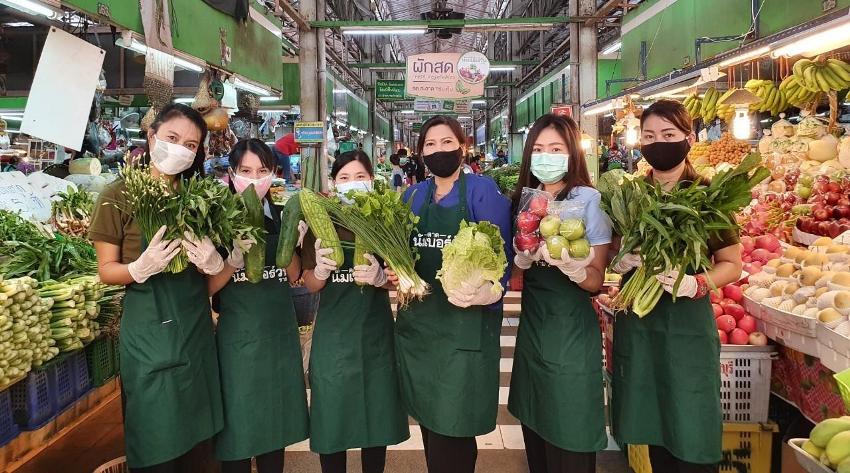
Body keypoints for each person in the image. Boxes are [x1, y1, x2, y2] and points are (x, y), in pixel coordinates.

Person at [89, 103, 224, 472]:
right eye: (173, 138)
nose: (182, 148)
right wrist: (137, 268)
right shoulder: (117, 197)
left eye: (192, 145)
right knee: (155, 436)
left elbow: (210, 284)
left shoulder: (200, 199)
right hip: (148, 333)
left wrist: (221, 263)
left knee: (200, 445)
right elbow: (106, 271)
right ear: (152, 136)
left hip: (196, 330)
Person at [610, 100, 742, 473]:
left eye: (668, 135)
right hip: (641, 326)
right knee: (653, 434)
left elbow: (732, 264)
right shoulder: (630, 195)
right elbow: (612, 253)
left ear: (689, 137)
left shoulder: (708, 196)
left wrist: (697, 284)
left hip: (687, 329)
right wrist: (619, 261)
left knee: (692, 430)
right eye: (649, 136)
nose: (658, 143)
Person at [389, 115, 512, 473]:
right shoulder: (413, 195)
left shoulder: (482, 191)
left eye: (447, 142)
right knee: (430, 418)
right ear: (420, 151)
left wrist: (490, 291)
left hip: (464, 327)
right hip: (421, 327)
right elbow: (401, 252)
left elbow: (501, 256)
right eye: (430, 144)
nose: (439, 150)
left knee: (456, 421)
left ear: (462, 146)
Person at [508, 114, 612, 473]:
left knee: (570, 429)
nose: (545, 156)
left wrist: (574, 267)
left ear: (571, 154)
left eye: (555, 148)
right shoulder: (524, 201)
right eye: (538, 149)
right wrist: (521, 259)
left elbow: (596, 280)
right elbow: (516, 270)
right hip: (534, 327)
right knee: (535, 427)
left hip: (571, 329)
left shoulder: (588, 200)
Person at [301, 150, 410, 473]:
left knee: (375, 424)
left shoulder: (385, 218)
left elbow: (401, 282)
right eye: (344, 178)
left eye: (359, 177)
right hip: (333, 338)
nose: (352, 184)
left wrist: (382, 279)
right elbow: (309, 284)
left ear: (371, 181)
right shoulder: (321, 221)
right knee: (332, 423)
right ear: (333, 184)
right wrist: (319, 272)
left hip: (376, 334)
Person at [206, 139, 310, 473]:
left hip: (279, 335)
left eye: (262, 171)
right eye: (246, 171)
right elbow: (207, 288)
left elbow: (293, 275)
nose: (255, 178)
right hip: (237, 340)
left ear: (274, 173)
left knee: (273, 426)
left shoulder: (282, 215)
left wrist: (295, 243)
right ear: (232, 174)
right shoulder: (216, 219)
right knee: (236, 429)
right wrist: (233, 262)